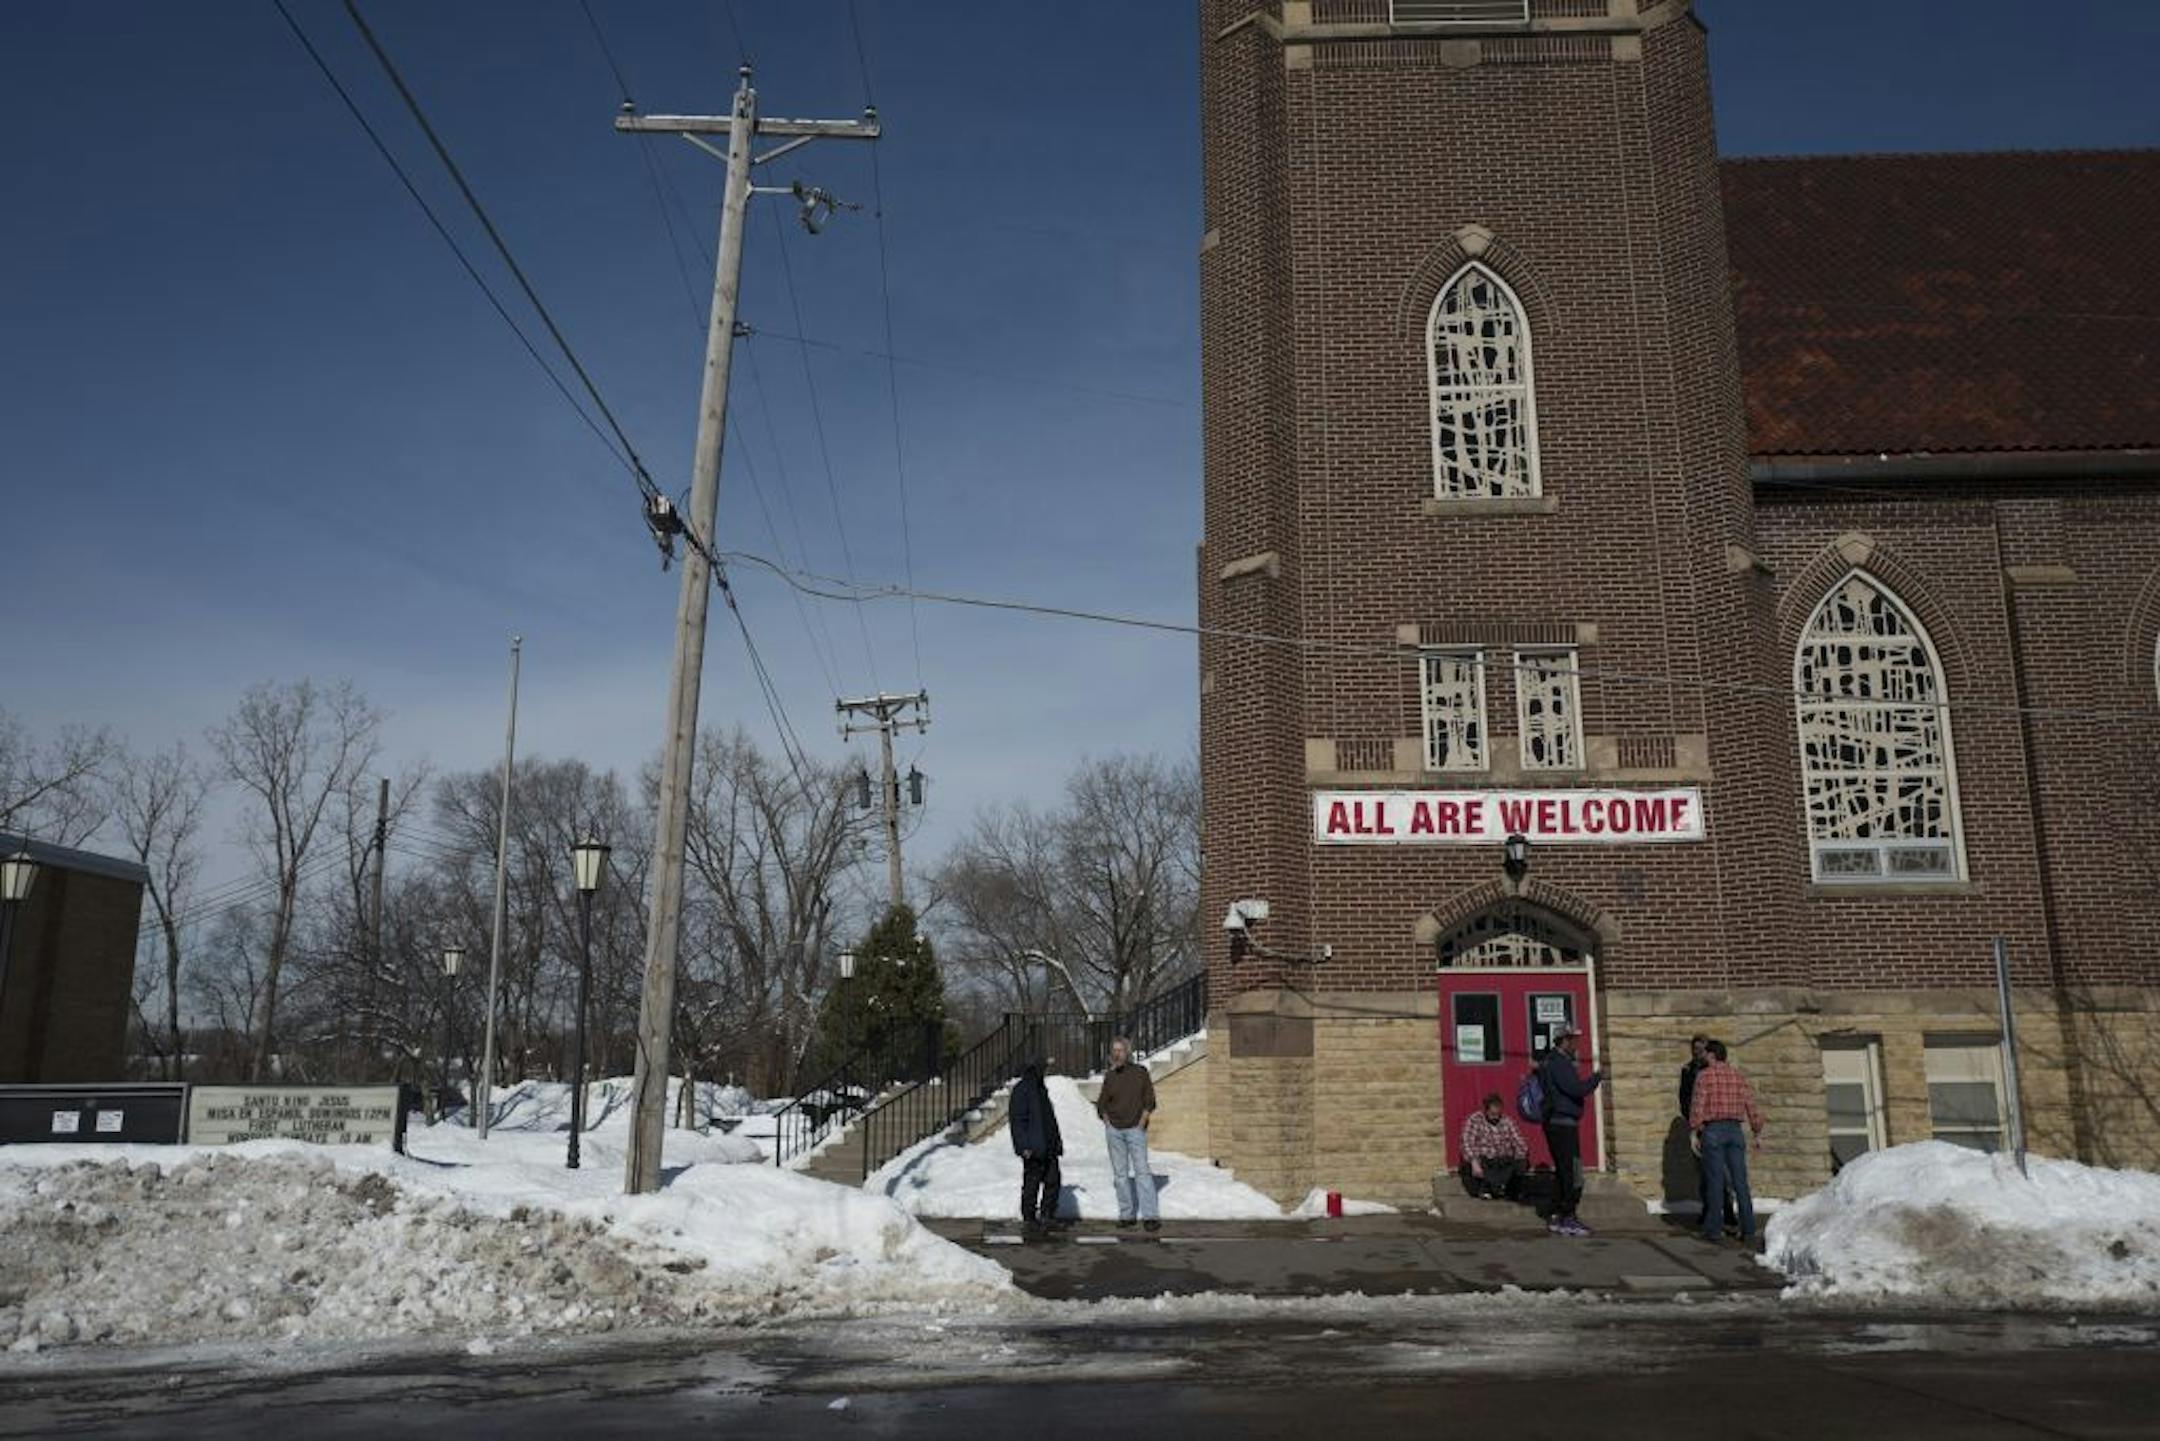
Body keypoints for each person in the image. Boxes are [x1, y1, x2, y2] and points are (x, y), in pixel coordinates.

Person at [1688, 1039, 1765, 1245]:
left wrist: (1695, 1130)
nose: (1703, 1056)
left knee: (1715, 1181)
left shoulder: (1704, 1076)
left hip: (1713, 1130)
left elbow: (1698, 1105)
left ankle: (1714, 1229)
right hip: (1735, 1130)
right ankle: (1748, 1229)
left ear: (1712, 1055)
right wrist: (1757, 1132)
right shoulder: (1737, 1076)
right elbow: (1751, 1104)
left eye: (1706, 1053)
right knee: (1740, 1181)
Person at [1539, 1023, 1603, 1237]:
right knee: (1572, 1173)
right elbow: (1575, 1089)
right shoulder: (1559, 1063)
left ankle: (1557, 1215)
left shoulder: (1552, 1061)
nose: (1576, 1044)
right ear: (1563, 1041)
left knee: (1563, 1170)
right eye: (1572, 1039)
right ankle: (1568, 1216)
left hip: (1558, 1123)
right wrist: (1596, 1078)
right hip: (1562, 1124)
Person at [1096, 1035, 1160, 1231]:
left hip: (1135, 1129)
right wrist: (1106, 1121)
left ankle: (1150, 1216)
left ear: (1127, 1052)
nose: (1117, 1054)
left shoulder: (1140, 1072)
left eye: (1120, 1050)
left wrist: (1143, 1120)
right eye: (1114, 1051)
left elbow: (1150, 1099)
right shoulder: (1110, 1076)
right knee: (1120, 1175)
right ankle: (1127, 1215)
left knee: (1142, 1172)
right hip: (1114, 1130)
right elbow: (1101, 1104)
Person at [1679, 1034, 1738, 1232]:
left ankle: (1727, 1211)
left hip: (1713, 1125)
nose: (1698, 1053)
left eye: (1701, 1049)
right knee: (1705, 1174)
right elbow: (1685, 1099)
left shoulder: (1711, 1071)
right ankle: (1708, 1210)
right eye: (1694, 1049)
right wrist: (1693, 1123)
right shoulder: (1688, 1070)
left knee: (1723, 1172)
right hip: (1699, 1127)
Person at [1008, 1057, 1065, 1235]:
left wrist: (1057, 1140)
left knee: (1053, 1181)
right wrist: (1023, 1146)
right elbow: (1017, 1121)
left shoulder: (1041, 1089)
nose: (1046, 1072)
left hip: (1048, 1145)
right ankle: (1029, 1218)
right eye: (1044, 1068)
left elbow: (1049, 1118)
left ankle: (1048, 1215)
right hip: (1033, 1147)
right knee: (1032, 1183)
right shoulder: (1022, 1089)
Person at [1458, 1092, 1529, 1200]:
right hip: (1484, 1161)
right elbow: (1467, 1142)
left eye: (1497, 1114)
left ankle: (1509, 1189)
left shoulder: (1507, 1121)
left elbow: (1519, 1141)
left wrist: (1520, 1154)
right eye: (1492, 1114)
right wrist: (1474, 1161)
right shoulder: (1474, 1120)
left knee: (1521, 1163)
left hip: (1502, 1160)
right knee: (1475, 1166)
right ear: (1485, 1110)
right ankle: (1486, 1189)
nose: (1495, 1117)